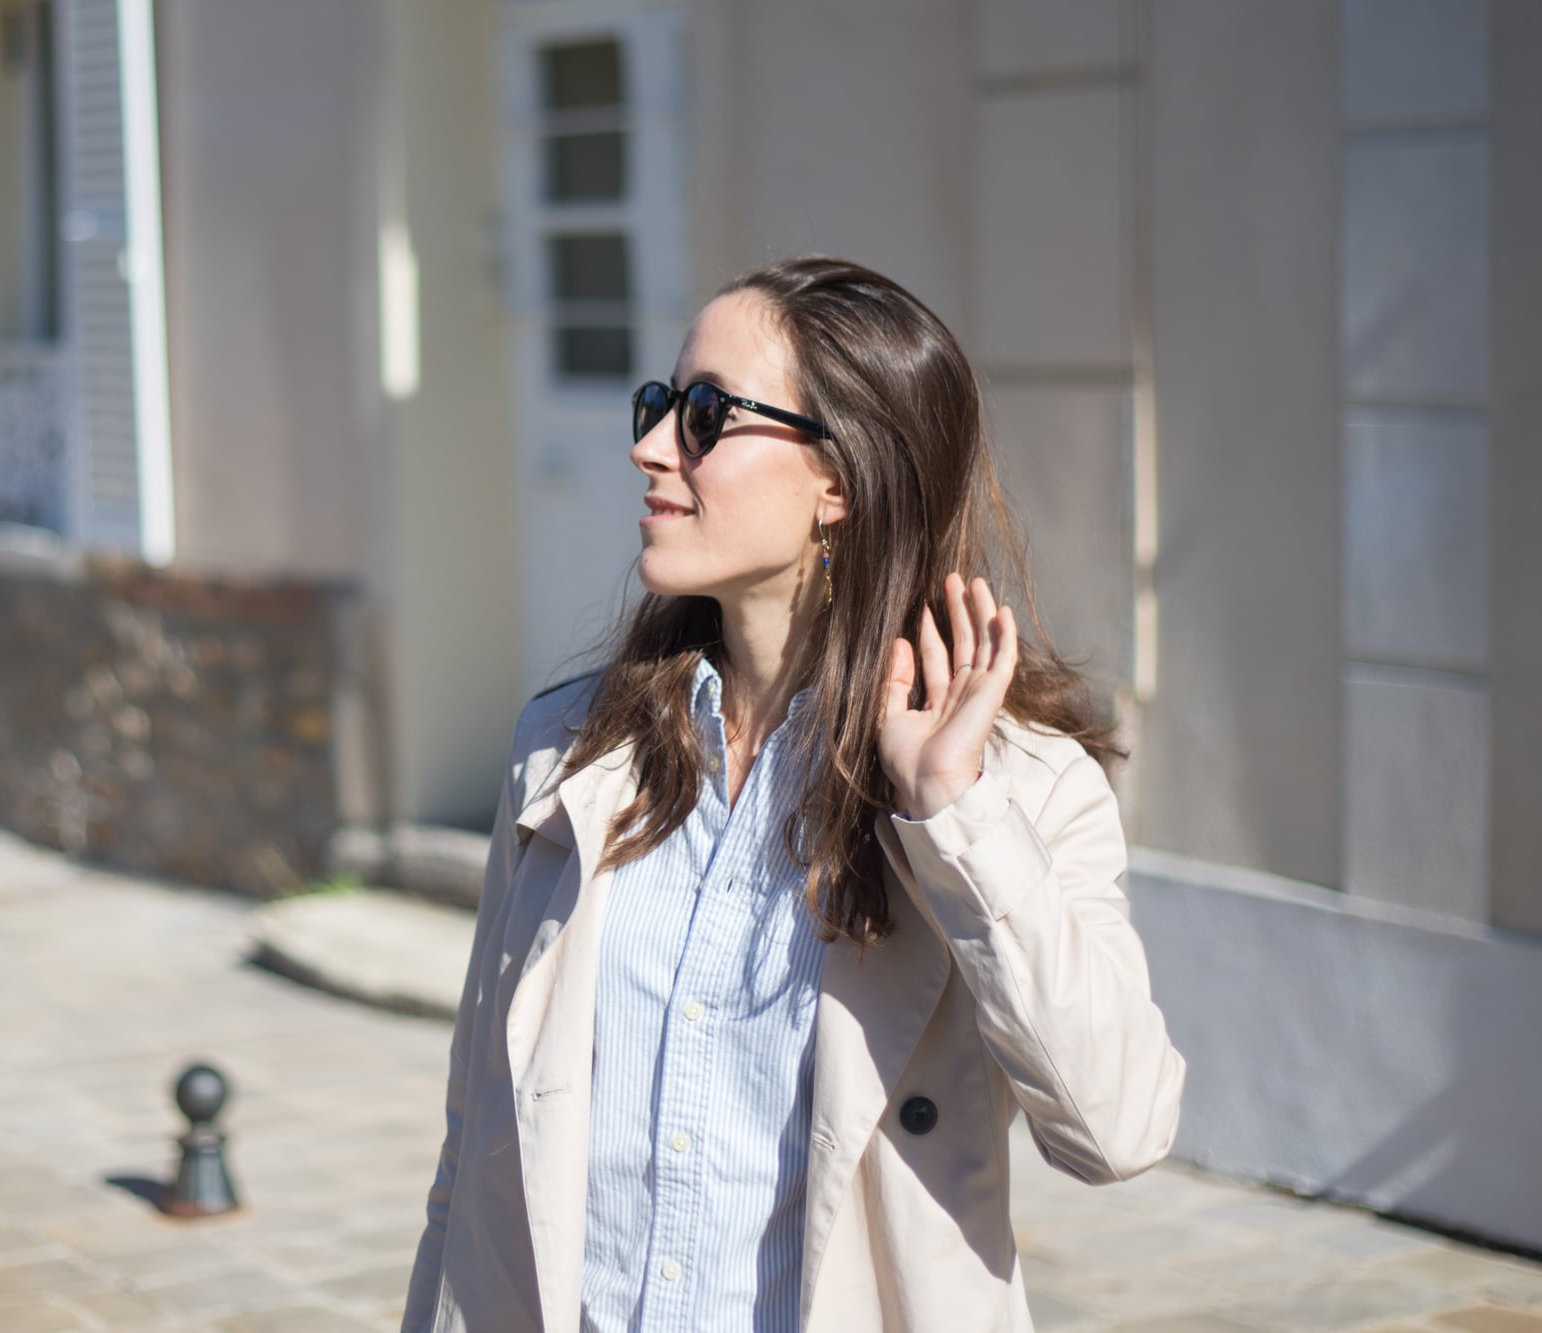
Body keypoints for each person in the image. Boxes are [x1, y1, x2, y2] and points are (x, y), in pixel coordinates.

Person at [401, 256, 1187, 1333]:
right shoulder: (566, 755)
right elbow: (472, 1143)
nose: (648, 447)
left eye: (707, 415)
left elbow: (1119, 1125)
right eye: (660, 404)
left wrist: (948, 814)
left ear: (841, 481)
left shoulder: (1018, 793)